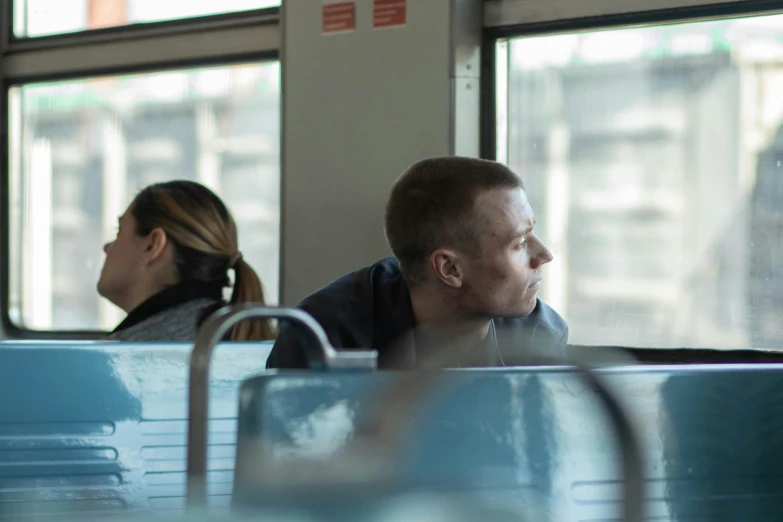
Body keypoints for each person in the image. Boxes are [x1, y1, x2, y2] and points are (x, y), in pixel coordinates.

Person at [266, 156, 567, 369]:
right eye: (520, 242)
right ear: (450, 269)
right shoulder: (324, 339)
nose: (544, 255)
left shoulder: (539, 337)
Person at [98, 180, 275, 342]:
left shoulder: (122, 358)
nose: (107, 247)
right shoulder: (235, 336)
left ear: (152, 245)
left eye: (119, 231)